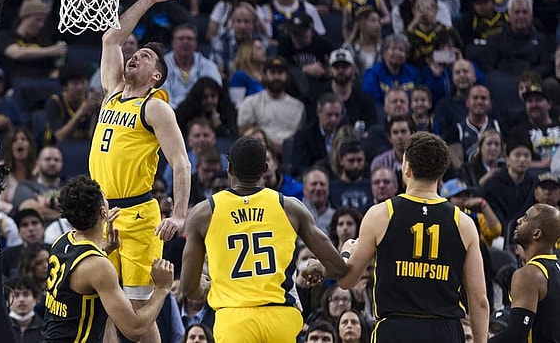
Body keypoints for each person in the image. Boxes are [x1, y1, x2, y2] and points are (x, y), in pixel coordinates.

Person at [305, 131, 489, 343]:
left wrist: (347, 250)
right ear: (441, 174)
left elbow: (347, 280)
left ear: (407, 167)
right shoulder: (464, 223)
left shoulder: (381, 214)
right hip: (445, 330)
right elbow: (479, 300)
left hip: (395, 329)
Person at [88, 0, 189, 343]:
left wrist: (178, 214)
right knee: (107, 311)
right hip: (103, 215)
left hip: (137, 215)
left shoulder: (155, 108)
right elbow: (112, 37)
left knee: (137, 315)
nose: (135, 56)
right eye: (136, 53)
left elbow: (181, 161)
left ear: (156, 76)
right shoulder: (113, 90)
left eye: (145, 57)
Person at [180, 136, 348, 343]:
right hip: (280, 319)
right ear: (265, 168)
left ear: (229, 168)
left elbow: (188, 289)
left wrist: (203, 286)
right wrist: (319, 267)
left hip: (234, 321)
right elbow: (339, 268)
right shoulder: (291, 207)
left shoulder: (204, 212)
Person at [41, 176, 174, 342]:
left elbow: (79, 276)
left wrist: (107, 248)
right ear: (103, 212)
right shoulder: (98, 267)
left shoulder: (61, 242)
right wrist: (162, 288)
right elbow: (135, 328)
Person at [490, 204, 560, 343]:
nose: (519, 220)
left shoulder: (529, 274)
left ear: (537, 234)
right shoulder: (556, 268)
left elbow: (516, 336)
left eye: (526, 218)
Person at [160, 24, 223, 109]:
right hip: (170, 115)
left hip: (203, 115)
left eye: (189, 39)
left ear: (196, 43)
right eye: (181, 39)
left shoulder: (210, 67)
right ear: (173, 43)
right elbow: (162, 99)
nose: (185, 42)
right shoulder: (161, 67)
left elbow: (217, 95)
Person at [5, 276, 44, 343]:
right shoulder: (0, 328)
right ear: (7, 302)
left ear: (36, 299)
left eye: (26, 294)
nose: (21, 299)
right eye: (16, 295)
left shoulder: (46, 330)